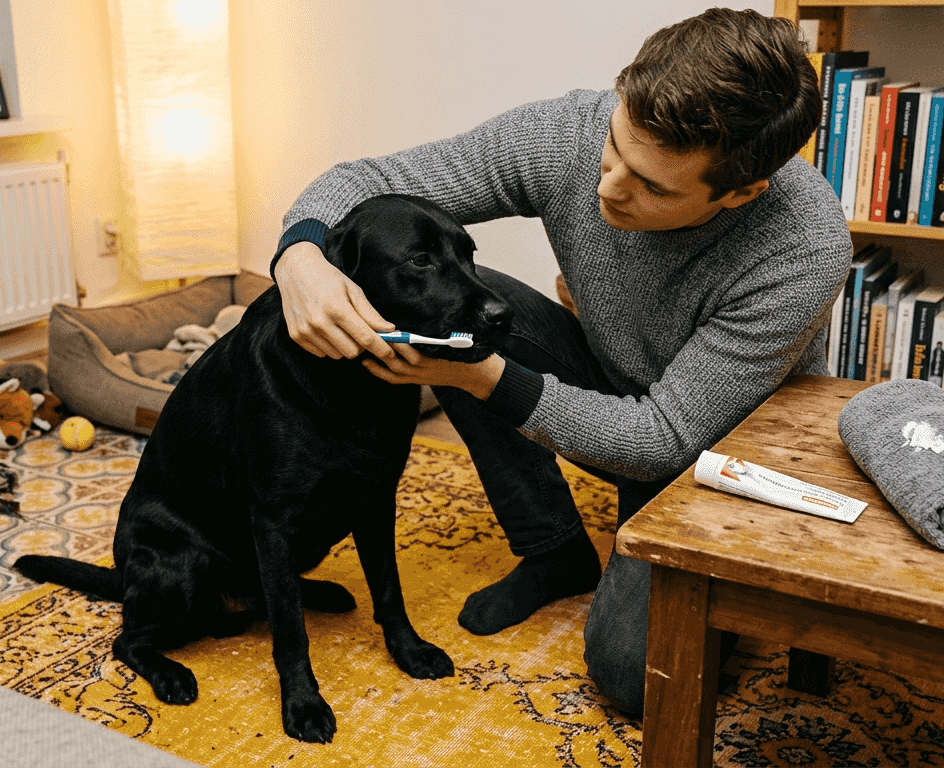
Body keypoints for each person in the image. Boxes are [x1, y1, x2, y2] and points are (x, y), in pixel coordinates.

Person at [268, 7, 852, 716]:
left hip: (718, 447)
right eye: (615, 148)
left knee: (634, 675)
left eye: (654, 187)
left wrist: (478, 376)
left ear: (739, 193)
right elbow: (367, 179)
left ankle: (755, 574)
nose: (608, 186)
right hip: (615, 378)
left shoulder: (802, 246)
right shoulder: (570, 133)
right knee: (452, 309)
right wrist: (299, 254)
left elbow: (661, 440)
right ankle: (554, 549)